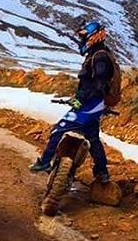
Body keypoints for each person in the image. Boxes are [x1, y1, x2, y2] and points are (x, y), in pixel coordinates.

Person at [29, 20, 114, 183]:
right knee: (92, 137)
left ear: (93, 36)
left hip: (90, 104)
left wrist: (79, 100)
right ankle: (102, 172)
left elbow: (97, 85)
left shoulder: (100, 57)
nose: (81, 40)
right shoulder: (99, 54)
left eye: (83, 36)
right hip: (94, 104)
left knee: (59, 129)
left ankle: (45, 162)